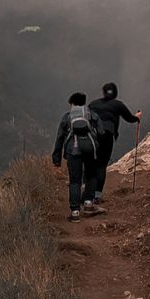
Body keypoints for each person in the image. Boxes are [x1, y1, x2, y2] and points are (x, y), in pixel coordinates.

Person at [51, 92, 104, 221]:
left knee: (75, 181)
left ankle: (75, 213)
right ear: (84, 102)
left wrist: (56, 158)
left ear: (72, 103)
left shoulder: (67, 117)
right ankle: (88, 203)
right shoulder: (92, 114)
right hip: (90, 150)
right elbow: (101, 132)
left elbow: (59, 137)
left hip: (72, 151)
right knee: (91, 175)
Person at [87, 82, 140, 205]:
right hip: (107, 136)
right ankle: (97, 196)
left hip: (91, 136)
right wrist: (138, 117)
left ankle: (86, 194)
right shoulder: (118, 105)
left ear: (103, 91)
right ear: (115, 92)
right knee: (101, 165)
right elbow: (129, 118)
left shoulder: (93, 104)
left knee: (91, 164)